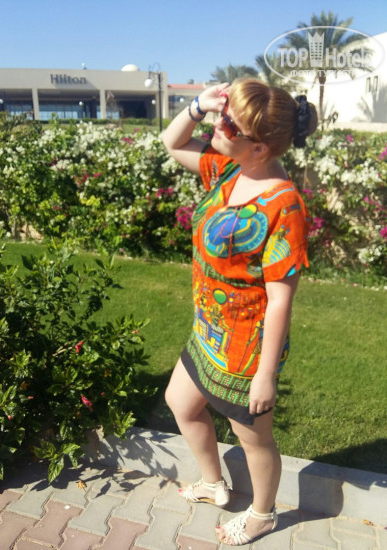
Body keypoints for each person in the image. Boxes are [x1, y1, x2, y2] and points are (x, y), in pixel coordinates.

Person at [163, 78, 317, 546]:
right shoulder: (229, 170)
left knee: (253, 438)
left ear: (260, 147)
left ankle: (263, 514)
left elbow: (281, 299)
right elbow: (172, 143)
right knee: (180, 402)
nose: (218, 125)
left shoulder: (283, 206)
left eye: (229, 124)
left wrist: (265, 376)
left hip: (244, 352)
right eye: (222, 116)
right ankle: (214, 484)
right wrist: (198, 105)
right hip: (207, 332)